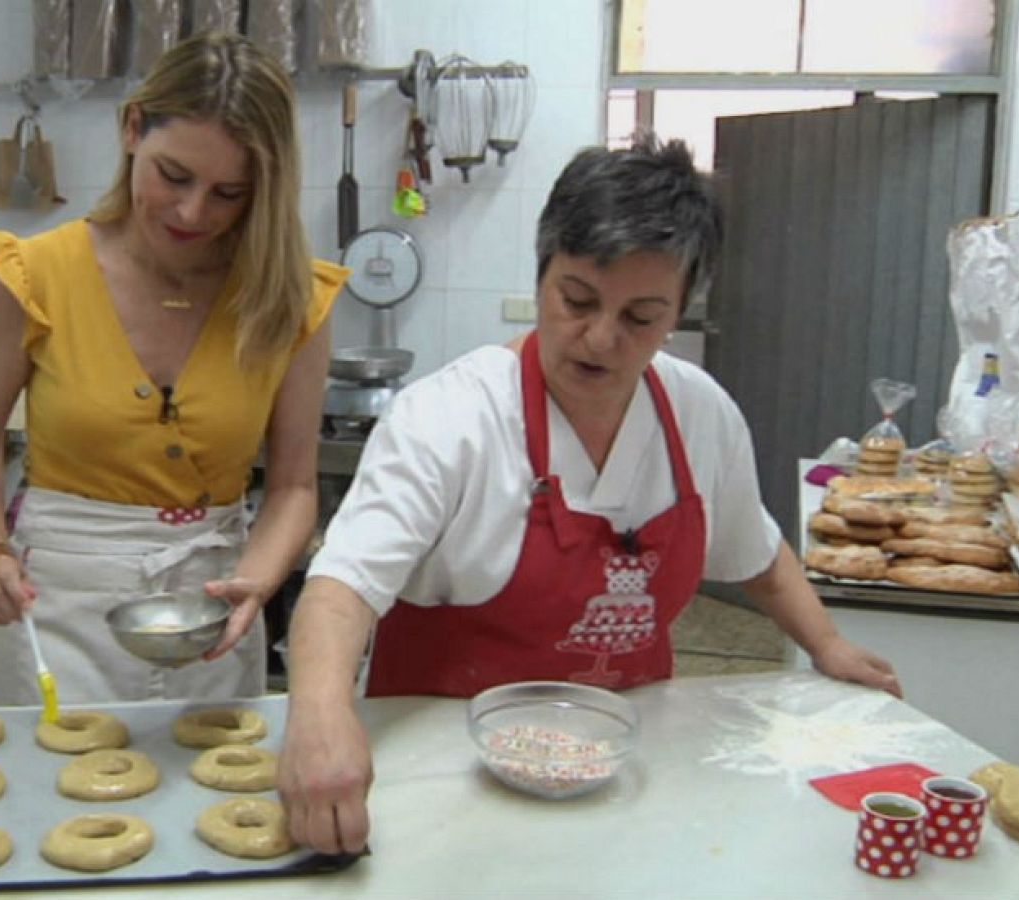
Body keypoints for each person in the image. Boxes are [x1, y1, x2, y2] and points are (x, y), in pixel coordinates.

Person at [277, 135, 903, 854]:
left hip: (624, 766)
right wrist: (318, 718)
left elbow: (755, 553)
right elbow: (342, 588)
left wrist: (827, 644)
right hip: (445, 768)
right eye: (576, 301)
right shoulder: (449, 418)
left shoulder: (700, 415)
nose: (600, 338)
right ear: (541, 273)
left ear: (680, 311)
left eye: (641, 317)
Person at [0, 32, 344, 705]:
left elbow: (293, 488)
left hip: (209, 612)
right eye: (174, 176)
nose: (193, 212)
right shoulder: (37, 275)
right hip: (56, 609)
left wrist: (255, 580)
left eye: (229, 193)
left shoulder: (289, 298)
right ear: (133, 129)